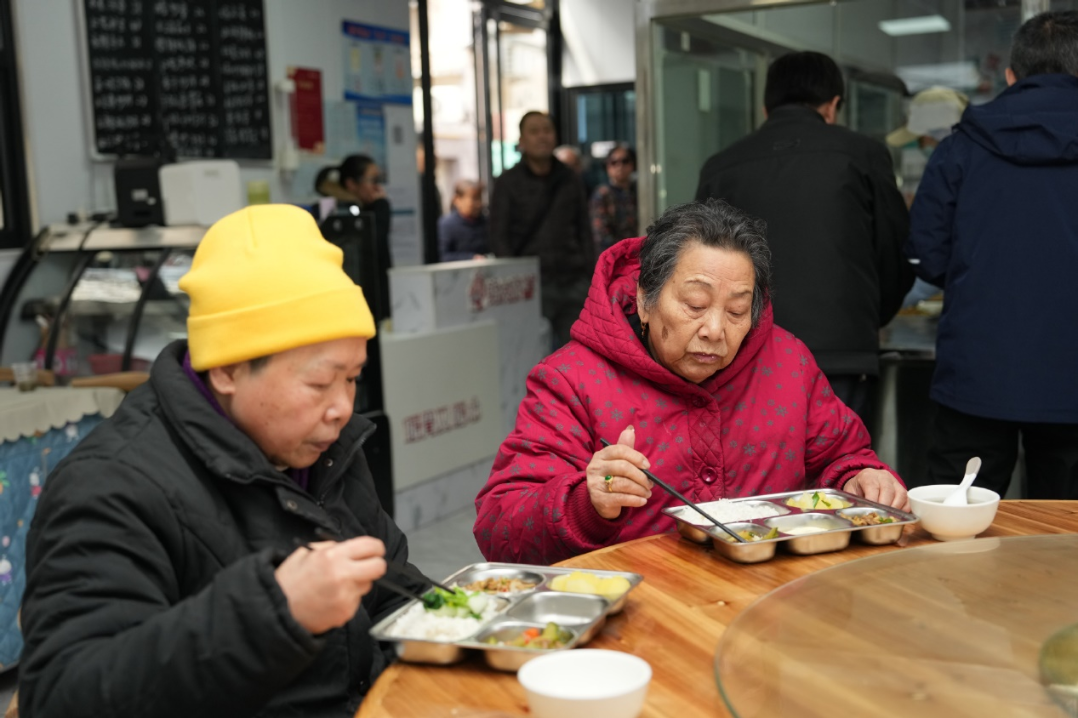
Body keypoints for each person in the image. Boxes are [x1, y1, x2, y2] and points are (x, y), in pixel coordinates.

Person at [19, 205, 430, 717]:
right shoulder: (110, 486)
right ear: (228, 371)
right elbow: (63, 696)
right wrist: (274, 612)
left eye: (352, 379)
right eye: (320, 382)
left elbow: (391, 587)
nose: (342, 408)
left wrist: (466, 623)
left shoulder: (323, 447)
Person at [474, 200, 908, 565]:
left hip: (773, 600)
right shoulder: (571, 380)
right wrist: (586, 504)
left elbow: (842, 455)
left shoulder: (787, 362)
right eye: (695, 305)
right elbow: (499, 528)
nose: (715, 330)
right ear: (645, 299)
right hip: (643, 614)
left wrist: (860, 478)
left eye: (736, 311)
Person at [906, 11, 1078, 498]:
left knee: (957, 521)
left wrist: (979, 280)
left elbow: (926, 255)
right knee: (1068, 529)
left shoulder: (960, 147)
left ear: (1010, 75)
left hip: (977, 372)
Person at [695, 52, 913, 434]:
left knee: (752, 466)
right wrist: (867, 319)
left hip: (745, 355)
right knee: (841, 466)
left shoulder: (720, 166)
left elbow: (700, 265)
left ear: (765, 108)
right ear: (832, 105)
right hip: (841, 355)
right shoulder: (864, 155)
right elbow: (895, 253)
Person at [490, 111, 593, 349]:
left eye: (547, 130)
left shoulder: (569, 178)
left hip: (573, 280)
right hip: (530, 286)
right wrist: (514, 281)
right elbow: (498, 236)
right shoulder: (508, 182)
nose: (542, 136)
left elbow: (584, 230)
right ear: (522, 140)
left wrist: (590, 275)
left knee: (578, 354)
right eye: (534, 131)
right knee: (530, 353)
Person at [885, 86, 969, 310]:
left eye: (924, 140)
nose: (923, 147)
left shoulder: (957, 170)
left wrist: (882, 304)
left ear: (940, 134)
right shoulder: (972, 165)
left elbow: (934, 259)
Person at [329, 154, 393, 318]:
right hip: (359, 304)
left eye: (379, 180)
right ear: (351, 184)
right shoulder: (345, 216)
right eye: (373, 180)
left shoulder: (366, 210)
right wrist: (381, 206)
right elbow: (375, 242)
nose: (378, 188)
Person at [589, 144, 638, 254]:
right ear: (607, 166)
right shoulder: (602, 194)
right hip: (615, 255)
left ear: (632, 164)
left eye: (625, 161)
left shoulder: (640, 191)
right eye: (614, 162)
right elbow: (601, 233)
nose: (620, 166)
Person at [438, 179, 489, 261]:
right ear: (457, 200)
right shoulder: (446, 225)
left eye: (480, 198)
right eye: (474, 198)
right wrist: (471, 258)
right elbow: (442, 255)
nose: (479, 204)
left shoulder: (486, 223)